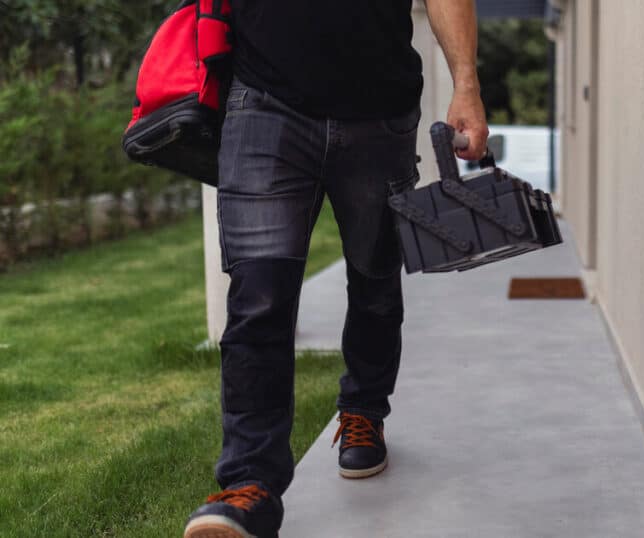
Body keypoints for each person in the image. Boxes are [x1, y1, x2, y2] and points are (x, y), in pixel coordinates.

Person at [182, 1, 488, 537]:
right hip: (264, 103)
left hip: (381, 114)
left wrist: (466, 82)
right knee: (258, 297)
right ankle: (248, 485)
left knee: (374, 281)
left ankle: (364, 411)